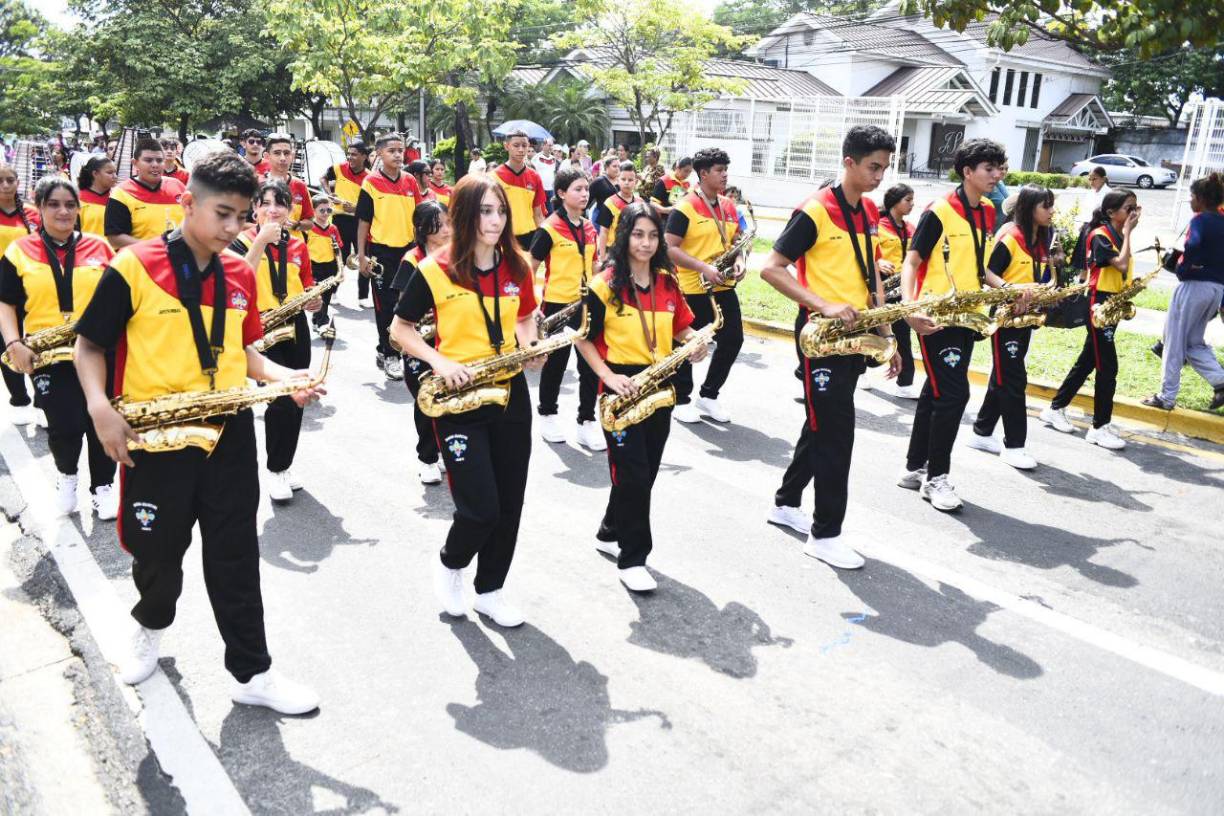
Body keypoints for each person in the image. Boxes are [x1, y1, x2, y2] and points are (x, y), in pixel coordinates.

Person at [74, 150, 321, 713]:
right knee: (158, 553)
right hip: (157, 437)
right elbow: (90, 346)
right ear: (188, 203)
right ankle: (151, 629)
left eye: (243, 217)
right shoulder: (133, 266)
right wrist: (99, 409)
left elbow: (246, 352)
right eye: (223, 215)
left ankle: (252, 672)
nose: (234, 229)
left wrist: (289, 378)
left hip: (228, 430)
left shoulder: (239, 271)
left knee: (235, 554)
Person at [389, 174, 544, 628]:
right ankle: (451, 562)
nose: (495, 221)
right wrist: (439, 361)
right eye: (485, 211)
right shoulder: (434, 269)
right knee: (480, 507)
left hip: (509, 391)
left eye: (500, 211)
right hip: (459, 396)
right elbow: (400, 330)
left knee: (510, 501)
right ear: (463, 214)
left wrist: (529, 345)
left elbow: (527, 315)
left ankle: (490, 590)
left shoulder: (517, 265)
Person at [761, 125, 900, 569]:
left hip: (856, 336)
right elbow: (772, 268)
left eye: (884, 167)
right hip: (822, 339)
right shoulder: (815, 211)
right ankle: (825, 534)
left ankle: (785, 503)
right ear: (849, 163)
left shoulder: (868, 209)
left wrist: (888, 334)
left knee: (821, 426)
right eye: (873, 167)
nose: (880, 176)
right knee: (837, 435)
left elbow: (870, 276)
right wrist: (823, 304)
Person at [573, 203, 708, 592]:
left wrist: (695, 342)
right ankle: (633, 558)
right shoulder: (605, 284)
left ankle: (609, 530)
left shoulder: (667, 282)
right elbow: (582, 337)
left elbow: (682, 327)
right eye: (638, 234)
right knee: (631, 474)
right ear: (624, 236)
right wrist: (607, 375)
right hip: (621, 388)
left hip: (660, 384)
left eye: (652, 235)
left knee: (644, 473)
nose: (646, 243)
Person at [897, 138, 1020, 511]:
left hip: (968, 316)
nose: (996, 175)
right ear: (967, 172)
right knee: (954, 395)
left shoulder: (985, 212)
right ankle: (937, 478)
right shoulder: (938, 211)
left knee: (935, 392)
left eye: (999, 168)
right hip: (936, 317)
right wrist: (909, 308)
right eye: (989, 169)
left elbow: (980, 267)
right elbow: (912, 261)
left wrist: (1008, 289)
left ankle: (915, 467)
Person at [0, 176, 117, 517]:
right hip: (47, 354)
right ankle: (67, 476)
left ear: (79, 209)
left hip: (98, 351)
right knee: (65, 424)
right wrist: (13, 342)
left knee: (102, 419)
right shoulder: (19, 251)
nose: (63, 211)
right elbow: (5, 301)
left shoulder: (100, 247)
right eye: (53, 204)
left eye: (70, 204)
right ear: (39, 208)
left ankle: (104, 486)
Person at [232, 179, 320, 501]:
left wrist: (314, 300)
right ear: (254, 210)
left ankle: (285, 464)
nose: (272, 209)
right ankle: (274, 469)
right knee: (278, 401)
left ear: (289, 210)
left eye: (279, 203)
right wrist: (260, 243)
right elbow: (238, 282)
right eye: (265, 203)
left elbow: (307, 283)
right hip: (262, 326)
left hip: (295, 324)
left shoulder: (297, 245)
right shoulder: (241, 243)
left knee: (299, 395)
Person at [1041, 189, 1141, 450]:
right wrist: (1129, 233)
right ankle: (1099, 427)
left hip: (1113, 302)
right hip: (1099, 304)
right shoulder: (1101, 235)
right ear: (1111, 212)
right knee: (1108, 366)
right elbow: (1119, 264)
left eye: (1135, 208)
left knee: (1088, 360)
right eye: (1128, 208)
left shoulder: (1118, 234)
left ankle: (1056, 407)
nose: (1134, 213)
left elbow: (1124, 269)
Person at [966, 184, 1056, 470]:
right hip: (1006, 315)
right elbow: (988, 272)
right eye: (1046, 206)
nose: (1052, 211)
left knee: (1004, 375)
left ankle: (981, 432)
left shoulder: (1041, 238)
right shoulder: (1010, 235)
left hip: (1025, 316)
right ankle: (1014, 445)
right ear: (1030, 208)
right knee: (1013, 380)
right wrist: (1011, 290)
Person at [665, 147, 745, 424]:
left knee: (733, 340)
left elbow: (737, 242)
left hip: (723, 285)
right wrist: (703, 267)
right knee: (689, 344)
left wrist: (740, 261)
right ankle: (681, 398)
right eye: (719, 171)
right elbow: (670, 247)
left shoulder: (728, 205)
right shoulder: (685, 206)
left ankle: (709, 395)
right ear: (703, 174)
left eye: (726, 170)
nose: (725, 175)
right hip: (692, 286)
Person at [529, 166, 600, 449]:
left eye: (586, 189)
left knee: (590, 366)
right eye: (578, 190)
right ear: (561, 193)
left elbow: (594, 265)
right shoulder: (548, 228)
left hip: (586, 304)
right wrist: (532, 308)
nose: (584, 195)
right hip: (557, 305)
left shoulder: (589, 226)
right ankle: (547, 413)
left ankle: (586, 420)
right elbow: (529, 269)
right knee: (555, 365)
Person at [1142, 173, 1224, 412]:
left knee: (1173, 342)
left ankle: (1166, 397)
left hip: (1193, 286)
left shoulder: (1200, 220)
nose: (1189, 200)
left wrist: (1184, 267)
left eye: (1191, 196)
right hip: (1216, 289)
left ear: (1200, 198)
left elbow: (1194, 245)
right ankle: (1220, 381)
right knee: (1193, 343)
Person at [389, 200, 451, 485]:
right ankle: (427, 457)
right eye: (441, 224)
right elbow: (403, 308)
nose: (448, 230)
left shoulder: (457, 256)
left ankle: (447, 451)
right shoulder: (412, 260)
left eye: (450, 222)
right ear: (424, 229)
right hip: (420, 342)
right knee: (427, 400)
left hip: (450, 340)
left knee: (451, 401)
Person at [355, 133, 423, 381]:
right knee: (385, 307)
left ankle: (394, 347)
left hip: (407, 253)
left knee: (406, 305)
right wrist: (362, 256)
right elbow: (363, 222)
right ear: (380, 154)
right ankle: (389, 354)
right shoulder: (371, 183)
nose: (397, 155)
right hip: (381, 253)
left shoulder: (410, 182)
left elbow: (418, 220)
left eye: (400, 150)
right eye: (391, 150)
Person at [0, 163, 38, 424]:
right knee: (8, 342)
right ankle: (20, 398)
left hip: (31, 284)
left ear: (18, 181)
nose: (5, 185)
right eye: (0, 180)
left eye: (10, 180)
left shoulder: (34, 215)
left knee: (36, 339)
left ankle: (44, 396)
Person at [875, 183, 920, 399]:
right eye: (908, 200)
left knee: (903, 333)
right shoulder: (878, 224)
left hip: (903, 288)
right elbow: (867, 253)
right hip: (881, 286)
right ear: (895, 201)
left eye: (912, 200)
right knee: (873, 331)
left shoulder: (911, 228)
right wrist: (878, 263)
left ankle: (905, 383)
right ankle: (864, 369)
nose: (912, 204)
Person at [104, 137, 186, 249]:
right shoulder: (121, 193)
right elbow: (114, 239)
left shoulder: (178, 187)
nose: (155, 165)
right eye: (148, 160)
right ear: (135, 163)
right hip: (140, 263)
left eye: (159, 160)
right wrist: (156, 248)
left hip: (178, 262)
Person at [323, 140, 371, 307]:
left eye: (354, 154)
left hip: (360, 222)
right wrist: (329, 194)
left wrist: (356, 208)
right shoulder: (338, 168)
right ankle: (334, 292)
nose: (350, 157)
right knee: (339, 257)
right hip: (340, 220)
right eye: (349, 154)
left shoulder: (369, 178)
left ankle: (363, 297)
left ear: (364, 156)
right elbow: (323, 178)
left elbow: (370, 205)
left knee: (363, 256)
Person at [493, 130, 546, 250]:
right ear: (506, 146)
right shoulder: (493, 177)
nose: (521, 149)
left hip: (529, 237)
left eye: (524, 145)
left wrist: (544, 240)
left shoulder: (535, 177)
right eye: (516, 145)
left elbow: (538, 214)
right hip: (503, 236)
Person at [261, 133, 315, 238]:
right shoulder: (258, 184)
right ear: (267, 156)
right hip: (264, 248)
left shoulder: (300, 185)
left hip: (295, 249)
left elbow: (310, 222)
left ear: (293, 156)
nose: (282, 158)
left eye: (286, 153)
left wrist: (296, 225)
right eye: (277, 153)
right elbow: (244, 223)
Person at [304, 193, 343, 332]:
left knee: (326, 296)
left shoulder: (333, 228)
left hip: (330, 266)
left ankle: (317, 320)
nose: (326, 213)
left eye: (329, 210)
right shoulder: (309, 228)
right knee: (317, 295)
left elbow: (338, 248)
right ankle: (322, 323)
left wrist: (341, 268)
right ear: (313, 210)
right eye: (322, 210)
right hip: (314, 266)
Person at [595, 161, 642, 263]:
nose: (626, 183)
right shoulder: (610, 203)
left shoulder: (640, 203)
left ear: (636, 181)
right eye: (623, 179)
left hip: (634, 252)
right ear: (617, 180)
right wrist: (602, 257)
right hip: (613, 252)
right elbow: (603, 232)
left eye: (630, 180)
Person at [77, 155, 117, 236]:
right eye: (109, 172)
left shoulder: (118, 198)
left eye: (115, 172)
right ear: (95, 173)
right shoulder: (77, 199)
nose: (115, 176)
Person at [587, 158, 620, 224]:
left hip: (616, 219)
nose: (617, 169)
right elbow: (587, 200)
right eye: (614, 166)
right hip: (599, 219)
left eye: (619, 166)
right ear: (607, 167)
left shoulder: (621, 181)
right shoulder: (599, 181)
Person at [532, 138, 557, 213]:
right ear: (543, 146)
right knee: (540, 212)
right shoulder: (536, 158)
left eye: (552, 146)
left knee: (550, 212)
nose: (551, 147)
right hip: (540, 189)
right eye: (549, 145)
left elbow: (553, 173)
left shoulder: (553, 159)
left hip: (551, 190)